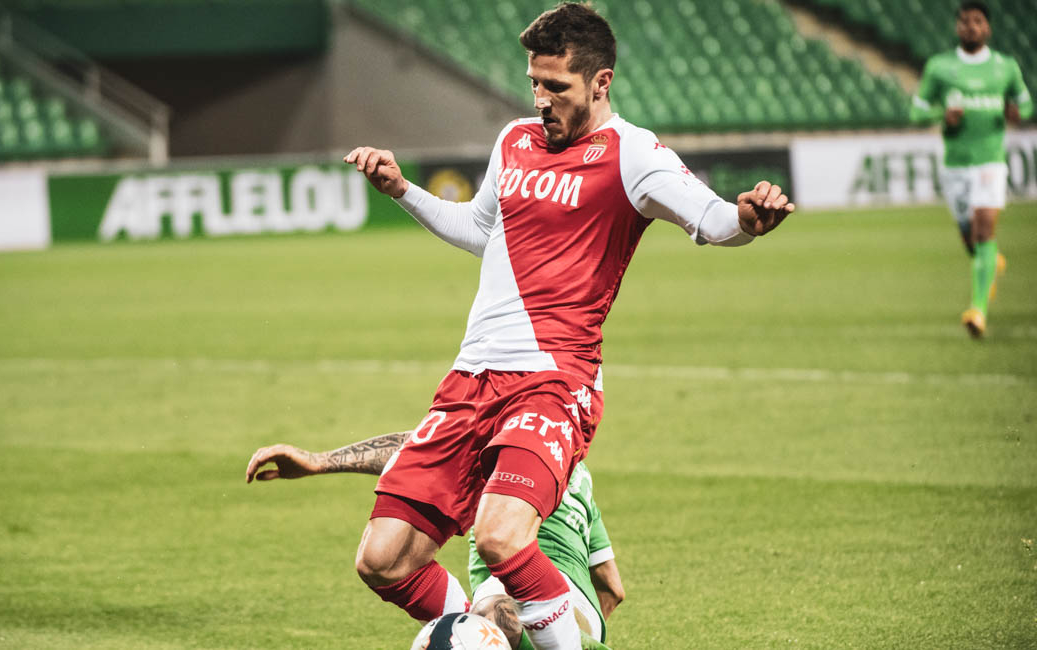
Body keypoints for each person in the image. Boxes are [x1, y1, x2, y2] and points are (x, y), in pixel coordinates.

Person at [337, 4, 793, 648]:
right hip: (471, 377)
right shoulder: (513, 140)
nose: (541, 100)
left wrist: (748, 220)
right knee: (382, 560)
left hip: (553, 380)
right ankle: (483, 634)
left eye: (557, 86)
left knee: (500, 537)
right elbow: (481, 230)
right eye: (534, 83)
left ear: (601, 82)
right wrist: (402, 190)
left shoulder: (633, 154)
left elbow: (714, 219)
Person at [245, 434, 624, 649]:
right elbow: (612, 588)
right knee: (488, 620)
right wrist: (578, 635)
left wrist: (321, 461)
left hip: (522, 589)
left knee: (491, 616)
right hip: (577, 605)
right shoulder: (573, 467)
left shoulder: (509, 441)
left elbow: (419, 454)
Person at [909, 0, 1032, 338]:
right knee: (970, 238)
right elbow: (916, 112)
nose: (970, 27)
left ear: (987, 27)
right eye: (964, 21)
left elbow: (1025, 103)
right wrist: (941, 116)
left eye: (977, 21)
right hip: (956, 165)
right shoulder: (940, 67)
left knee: (984, 229)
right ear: (957, 27)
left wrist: (1016, 112)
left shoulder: (1005, 67)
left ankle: (978, 310)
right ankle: (990, 263)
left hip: (990, 161)